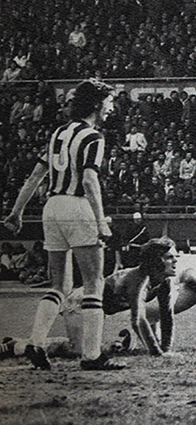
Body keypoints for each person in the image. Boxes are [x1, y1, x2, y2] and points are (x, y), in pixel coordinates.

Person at [3, 79, 125, 371]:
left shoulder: (58, 133)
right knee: (94, 282)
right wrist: (101, 221)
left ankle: (36, 342)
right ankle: (92, 355)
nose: (111, 108)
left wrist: (16, 212)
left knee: (59, 285)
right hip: (77, 206)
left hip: (52, 207)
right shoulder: (93, 136)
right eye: (108, 102)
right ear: (96, 104)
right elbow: (89, 180)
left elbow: (35, 177)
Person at [0, 238, 196, 362]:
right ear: (156, 261)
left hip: (99, 308)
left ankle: (114, 345)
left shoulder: (166, 281)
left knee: (92, 349)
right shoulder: (138, 279)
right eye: (170, 257)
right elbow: (138, 320)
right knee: (77, 351)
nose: (176, 260)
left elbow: (167, 316)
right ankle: (18, 345)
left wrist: (167, 350)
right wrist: (157, 353)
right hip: (79, 303)